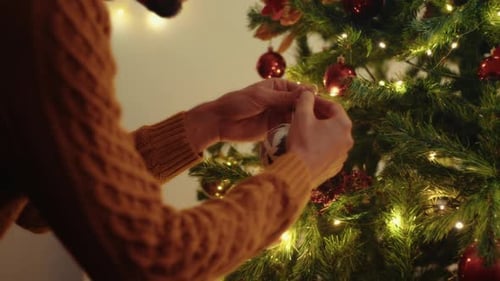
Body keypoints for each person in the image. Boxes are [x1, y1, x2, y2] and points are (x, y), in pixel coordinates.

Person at [0, 0, 353, 280]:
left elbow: (39, 201)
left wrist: (209, 123)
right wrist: (301, 171)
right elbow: (155, 262)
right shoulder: (49, 14)